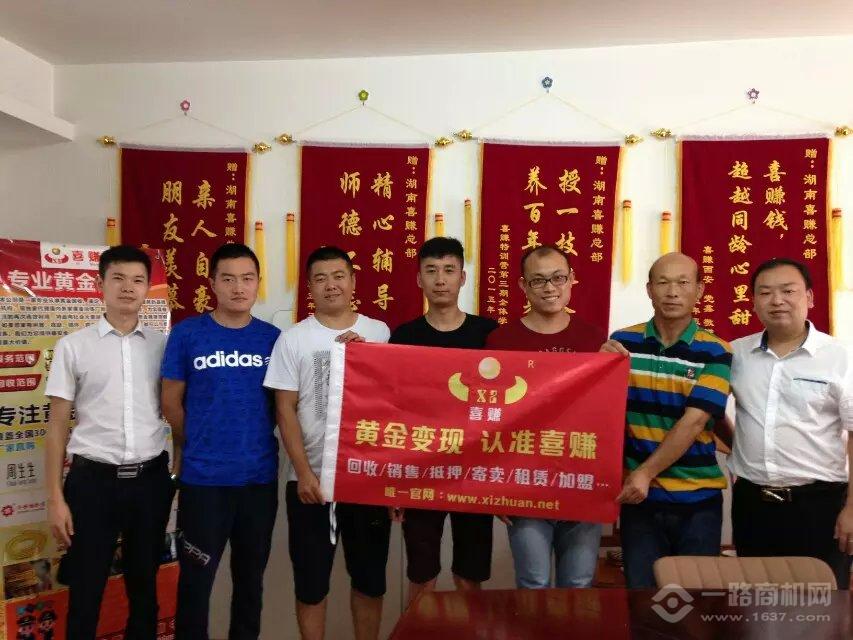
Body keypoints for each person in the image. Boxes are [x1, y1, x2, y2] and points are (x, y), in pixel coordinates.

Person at [45, 245, 173, 639]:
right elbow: (56, 426)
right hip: (92, 483)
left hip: (150, 481)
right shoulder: (74, 346)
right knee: (86, 592)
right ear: (100, 284)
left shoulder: (164, 346)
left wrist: (177, 471)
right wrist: (54, 498)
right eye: (118, 278)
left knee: (145, 589)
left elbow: (178, 408)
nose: (128, 288)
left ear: (147, 288)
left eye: (138, 280)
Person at [264, 246, 390, 640]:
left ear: (352, 281)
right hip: (310, 481)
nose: (330, 285)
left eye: (338, 276)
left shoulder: (380, 333)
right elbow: (284, 409)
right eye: (320, 278)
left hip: (365, 480)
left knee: (370, 581)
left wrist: (366, 357)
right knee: (311, 584)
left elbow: (392, 404)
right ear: (309, 286)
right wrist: (303, 473)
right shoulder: (293, 339)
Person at [161, 243, 280, 640]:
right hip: (203, 482)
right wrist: (195, 442)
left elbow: (282, 407)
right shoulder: (187, 334)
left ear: (258, 283)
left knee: (250, 583)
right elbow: (170, 402)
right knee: (195, 585)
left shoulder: (273, 339)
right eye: (228, 279)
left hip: (258, 482)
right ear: (212, 284)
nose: (238, 287)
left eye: (247, 278)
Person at [601, 252, 732, 588]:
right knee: (642, 598)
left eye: (683, 283)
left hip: (697, 500)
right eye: (663, 282)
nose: (672, 292)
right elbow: (601, 412)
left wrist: (645, 472)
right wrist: (597, 369)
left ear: (699, 290)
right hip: (639, 500)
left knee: (695, 601)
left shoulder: (716, 351)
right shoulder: (623, 344)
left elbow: (694, 422)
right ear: (649, 289)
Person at [724, 258, 853, 588]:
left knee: (820, 606)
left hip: (820, 505)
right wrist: (738, 446)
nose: (777, 300)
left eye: (788, 291)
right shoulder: (736, 354)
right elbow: (704, 410)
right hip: (753, 504)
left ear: (809, 297)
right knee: (756, 603)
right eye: (765, 292)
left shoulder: (841, 357)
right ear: (754, 302)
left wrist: (852, 509)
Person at [486, 245, 603, 588]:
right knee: (533, 583)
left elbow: (604, 414)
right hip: (524, 483)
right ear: (523, 286)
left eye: (558, 278)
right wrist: (495, 487)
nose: (550, 287)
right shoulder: (501, 341)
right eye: (538, 280)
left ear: (572, 280)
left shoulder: (595, 339)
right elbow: (490, 418)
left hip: (581, 482)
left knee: (579, 585)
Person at [389, 237, 497, 603]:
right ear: (418, 278)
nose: (440, 279)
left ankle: (469, 630)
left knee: (469, 575)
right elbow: (394, 410)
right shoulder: (404, 336)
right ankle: (420, 629)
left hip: (475, 472)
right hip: (422, 469)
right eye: (431, 271)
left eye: (449, 270)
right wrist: (395, 481)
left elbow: (510, 407)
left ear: (462, 278)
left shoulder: (488, 334)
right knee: (422, 576)